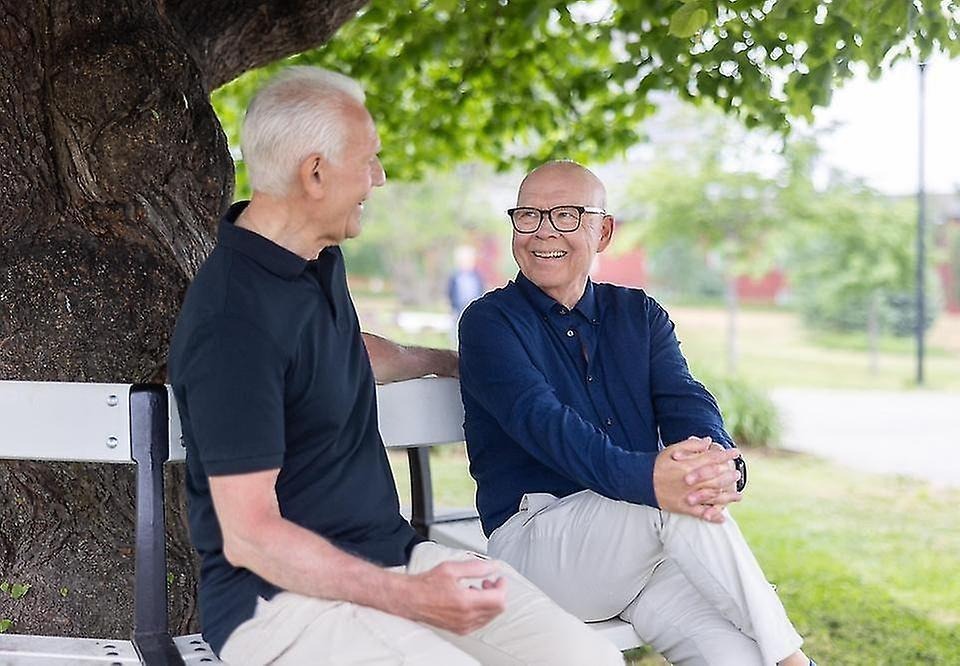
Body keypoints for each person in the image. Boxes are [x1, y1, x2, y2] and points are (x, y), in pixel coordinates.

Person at [167, 70, 623, 665]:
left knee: (588, 660)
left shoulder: (314, 259)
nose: (378, 178)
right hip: (280, 605)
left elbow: (345, 354)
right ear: (315, 173)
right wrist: (409, 597)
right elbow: (251, 535)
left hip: (393, 557)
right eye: (369, 159)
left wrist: (459, 363)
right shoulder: (234, 318)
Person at [458, 160, 816, 666]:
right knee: (674, 500)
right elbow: (547, 426)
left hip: (642, 556)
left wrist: (720, 463)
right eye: (528, 216)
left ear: (602, 231)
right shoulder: (489, 322)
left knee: (737, 655)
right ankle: (797, 662)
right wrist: (657, 480)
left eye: (565, 215)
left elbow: (686, 400)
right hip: (538, 546)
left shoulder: (638, 314)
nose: (543, 233)